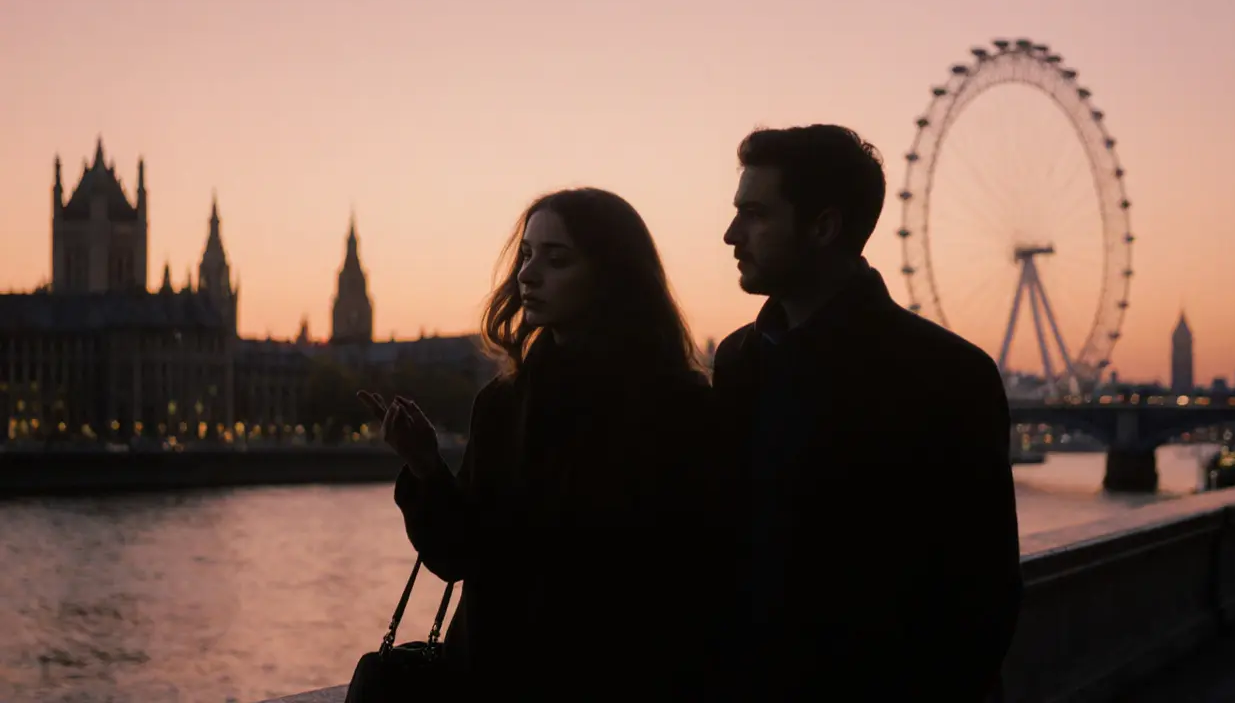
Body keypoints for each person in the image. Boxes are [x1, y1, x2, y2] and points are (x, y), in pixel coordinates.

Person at [359, 188, 718, 700]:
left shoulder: (678, 407)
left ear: (611, 275)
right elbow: (460, 555)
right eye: (526, 254)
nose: (527, 274)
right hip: (492, 676)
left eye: (556, 259)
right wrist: (425, 468)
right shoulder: (502, 402)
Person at [710, 124, 1022, 701]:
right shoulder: (737, 362)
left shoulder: (948, 377)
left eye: (755, 214)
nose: (731, 234)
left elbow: (981, 592)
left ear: (823, 226)